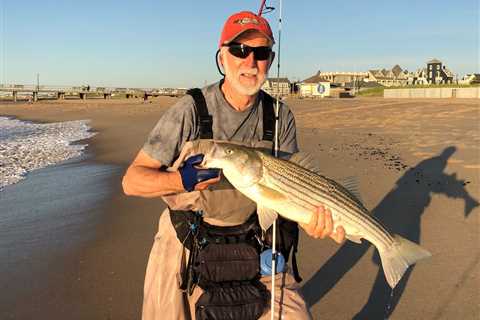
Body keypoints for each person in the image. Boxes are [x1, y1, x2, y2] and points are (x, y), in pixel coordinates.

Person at [122, 10, 346, 320]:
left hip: (255, 239)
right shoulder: (189, 109)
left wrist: (313, 220)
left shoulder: (280, 115)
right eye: (240, 50)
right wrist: (180, 181)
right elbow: (132, 181)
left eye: (261, 52)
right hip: (187, 239)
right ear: (222, 57)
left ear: (270, 58)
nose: (250, 62)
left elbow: (291, 190)